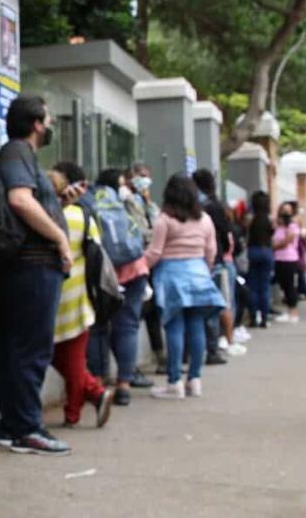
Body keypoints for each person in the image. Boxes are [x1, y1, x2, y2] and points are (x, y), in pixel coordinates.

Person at [0, 95, 72, 456]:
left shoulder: (18, 154)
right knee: (30, 350)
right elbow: (21, 200)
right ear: (36, 123)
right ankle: (26, 428)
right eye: (48, 119)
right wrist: (60, 238)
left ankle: (14, 425)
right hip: (31, 267)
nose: (50, 125)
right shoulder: (18, 151)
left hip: (25, 269)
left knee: (16, 349)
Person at [146, 174, 225, 400]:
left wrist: (138, 266)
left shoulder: (164, 220)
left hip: (171, 277)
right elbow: (211, 251)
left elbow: (155, 253)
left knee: (174, 328)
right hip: (199, 274)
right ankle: (195, 380)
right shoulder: (205, 220)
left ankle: (174, 383)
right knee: (197, 327)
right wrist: (205, 269)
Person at [51, 162, 115, 428]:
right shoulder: (84, 216)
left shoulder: (51, 215)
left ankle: (77, 410)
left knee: (59, 356)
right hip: (79, 293)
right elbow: (96, 249)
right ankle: (93, 394)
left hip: (55, 291)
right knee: (74, 357)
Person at [86, 168, 150, 405]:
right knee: (128, 326)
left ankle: (99, 384)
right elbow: (144, 229)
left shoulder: (88, 201)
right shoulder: (127, 201)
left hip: (104, 272)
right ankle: (124, 384)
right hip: (134, 268)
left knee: (98, 327)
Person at [192, 169, 240, 363]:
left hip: (201, 260)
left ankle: (210, 347)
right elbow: (226, 234)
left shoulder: (199, 207)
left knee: (205, 307)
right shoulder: (215, 206)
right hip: (214, 261)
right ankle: (215, 346)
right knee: (217, 304)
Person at [126, 163, 166, 374]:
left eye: (147, 176)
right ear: (131, 176)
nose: (145, 180)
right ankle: (129, 365)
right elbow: (143, 232)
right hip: (137, 260)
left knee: (152, 312)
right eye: (142, 176)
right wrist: (156, 238)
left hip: (149, 262)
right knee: (138, 312)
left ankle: (160, 356)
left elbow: (158, 222)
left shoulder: (145, 200)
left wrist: (149, 200)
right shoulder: (128, 201)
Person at [245, 191, 275, 328]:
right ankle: (264, 317)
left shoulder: (251, 219)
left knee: (253, 286)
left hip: (253, 250)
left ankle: (253, 317)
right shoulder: (270, 219)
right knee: (264, 286)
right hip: (266, 251)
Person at [273, 202, 303, 323]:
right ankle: (288, 310)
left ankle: (293, 312)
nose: (284, 213)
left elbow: (287, 241)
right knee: (284, 286)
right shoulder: (279, 227)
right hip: (279, 258)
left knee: (290, 285)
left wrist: (274, 246)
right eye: (283, 210)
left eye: (287, 210)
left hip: (289, 258)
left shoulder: (293, 226)